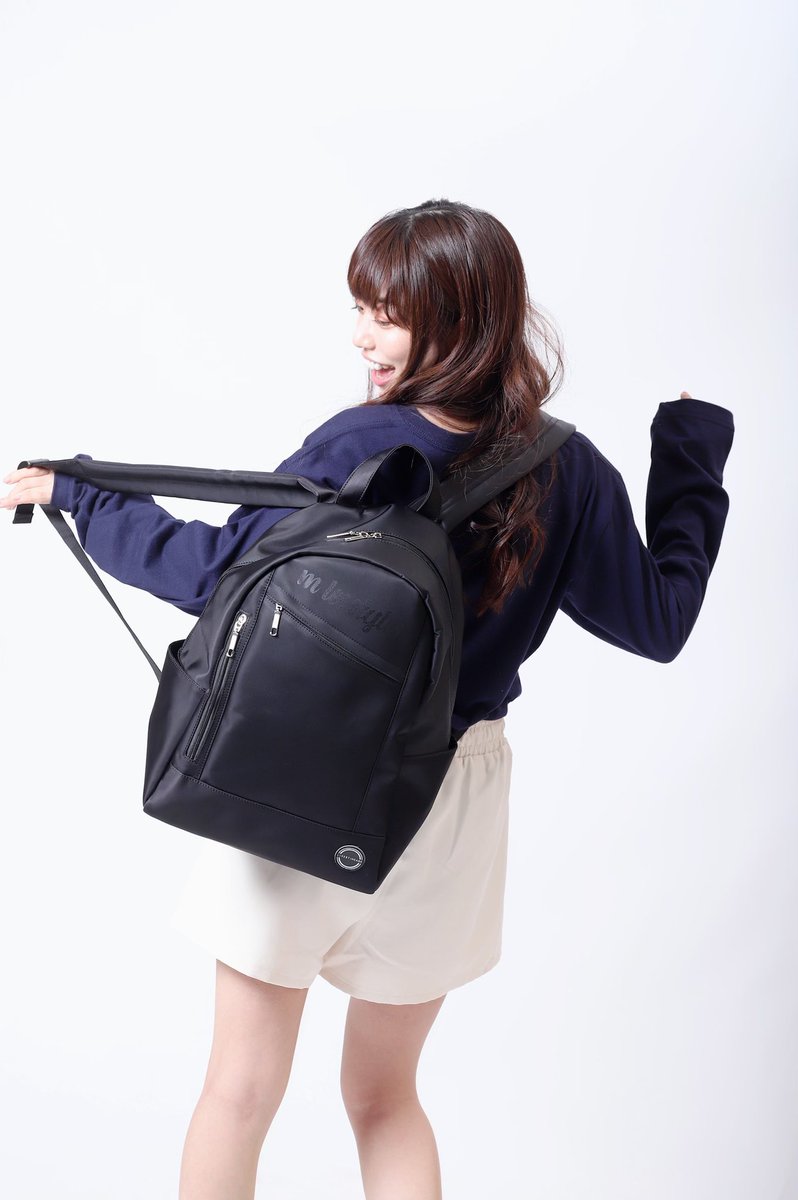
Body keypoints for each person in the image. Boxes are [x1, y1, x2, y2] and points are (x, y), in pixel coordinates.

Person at [0, 198, 735, 1200]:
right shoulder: (572, 469)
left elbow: (216, 576)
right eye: (361, 309)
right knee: (387, 1099)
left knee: (239, 1092)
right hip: (457, 801)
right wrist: (689, 453)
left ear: (461, 321)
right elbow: (659, 621)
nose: (361, 336)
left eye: (387, 315)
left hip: (306, 773)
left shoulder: (362, 444)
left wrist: (81, 496)